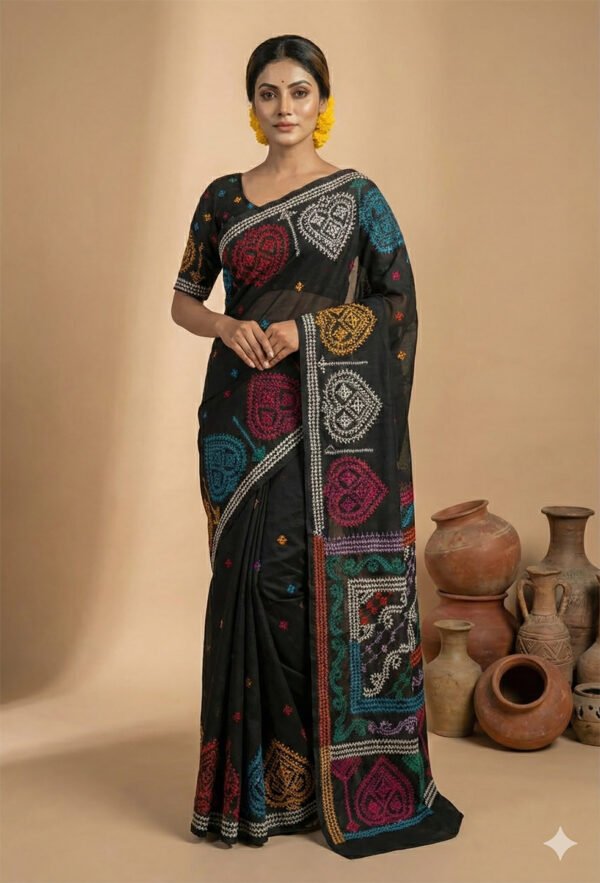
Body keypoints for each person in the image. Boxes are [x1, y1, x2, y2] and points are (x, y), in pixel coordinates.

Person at [171, 33, 464, 860]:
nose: (284, 107)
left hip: (325, 419)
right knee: (247, 584)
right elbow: (183, 298)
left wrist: (307, 332)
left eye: (299, 91)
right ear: (252, 103)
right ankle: (256, 790)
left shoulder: (359, 196)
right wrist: (226, 325)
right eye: (269, 92)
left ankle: (319, 780)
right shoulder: (222, 198)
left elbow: (397, 306)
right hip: (237, 422)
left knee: (302, 583)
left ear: (322, 100)